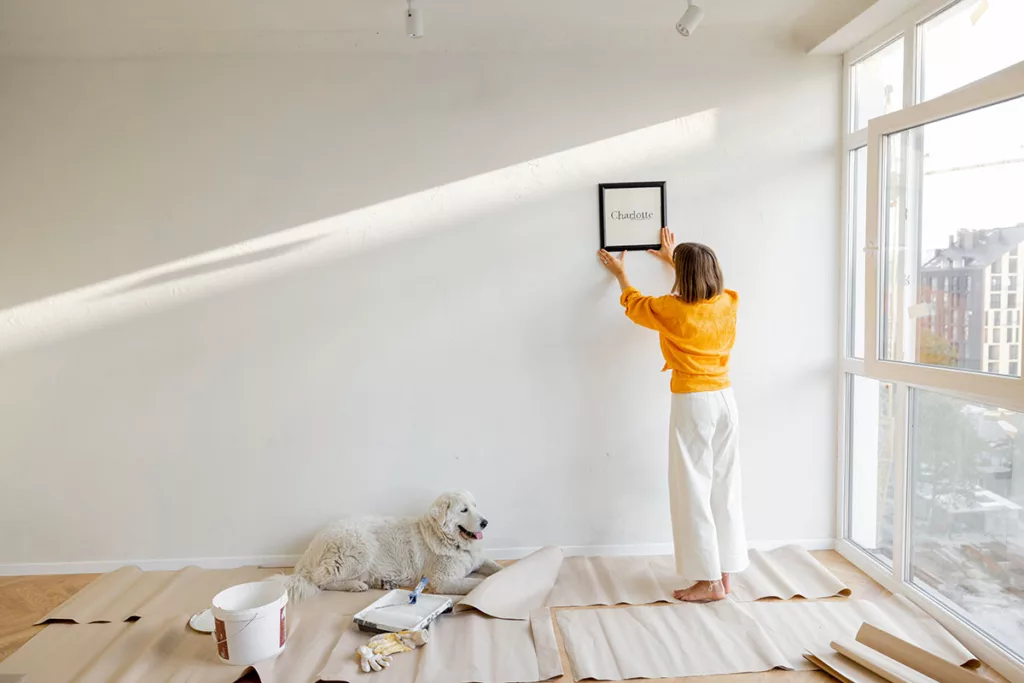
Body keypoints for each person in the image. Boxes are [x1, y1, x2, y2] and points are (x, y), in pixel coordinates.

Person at [597, 227, 747, 602]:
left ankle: (707, 581)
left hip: (694, 402)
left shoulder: (671, 310)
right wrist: (675, 259)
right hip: (726, 399)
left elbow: (635, 304)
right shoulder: (729, 301)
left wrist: (620, 274)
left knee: (692, 489)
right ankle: (724, 573)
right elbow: (699, 289)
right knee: (725, 487)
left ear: (684, 274)